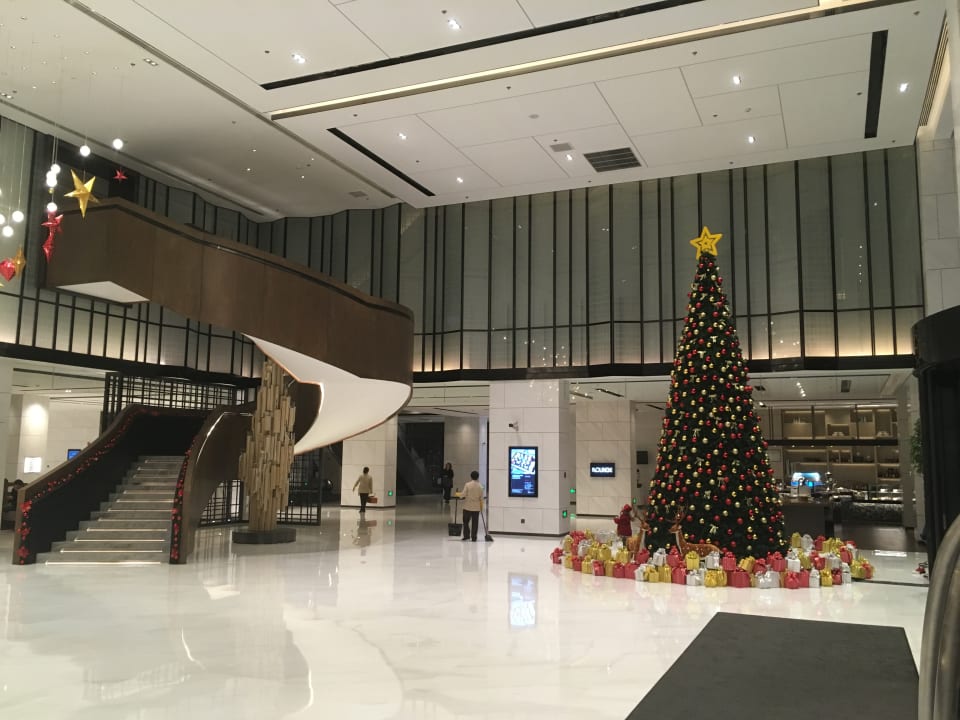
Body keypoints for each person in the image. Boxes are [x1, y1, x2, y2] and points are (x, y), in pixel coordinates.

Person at [461, 470, 483, 542]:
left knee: (465, 522)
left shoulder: (467, 484)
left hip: (467, 506)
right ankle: (474, 537)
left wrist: (460, 496)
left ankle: (466, 536)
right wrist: (481, 507)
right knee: (475, 523)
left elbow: (463, 494)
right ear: (478, 477)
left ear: (471, 476)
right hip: (476, 507)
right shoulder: (480, 486)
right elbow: (481, 498)